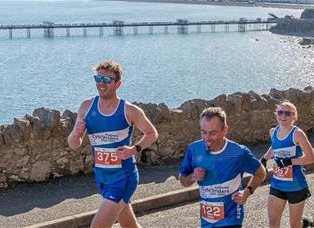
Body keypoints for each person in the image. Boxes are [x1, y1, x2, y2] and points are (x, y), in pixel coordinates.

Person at [67, 60, 158, 228]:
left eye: (107, 80)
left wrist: (134, 149)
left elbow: (152, 133)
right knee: (130, 225)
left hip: (123, 177)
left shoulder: (129, 110)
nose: (101, 83)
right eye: (98, 79)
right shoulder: (86, 107)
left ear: (118, 84)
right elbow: (73, 144)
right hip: (102, 177)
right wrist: (76, 133)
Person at [179, 107, 266, 228]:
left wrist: (247, 192)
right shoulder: (194, 149)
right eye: (203, 132)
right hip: (207, 221)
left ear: (224, 130)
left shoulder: (238, 152)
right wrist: (192, 177)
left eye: (212, 133)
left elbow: (260, 172)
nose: (207, 138)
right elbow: (183, 180)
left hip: (231, 220)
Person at [260, 101, 314, 228]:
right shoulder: (273, 132)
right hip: (277, 183)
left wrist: (289, 162)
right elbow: (275, 146)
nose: (283, 116)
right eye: (280, 112)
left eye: (287, 113)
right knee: (273, 224)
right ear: (276, 114)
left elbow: (310, 158)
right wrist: (265, 158)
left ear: (294, 116)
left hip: (296, 186)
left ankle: (310, 223)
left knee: (294, 225)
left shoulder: (297, 134)